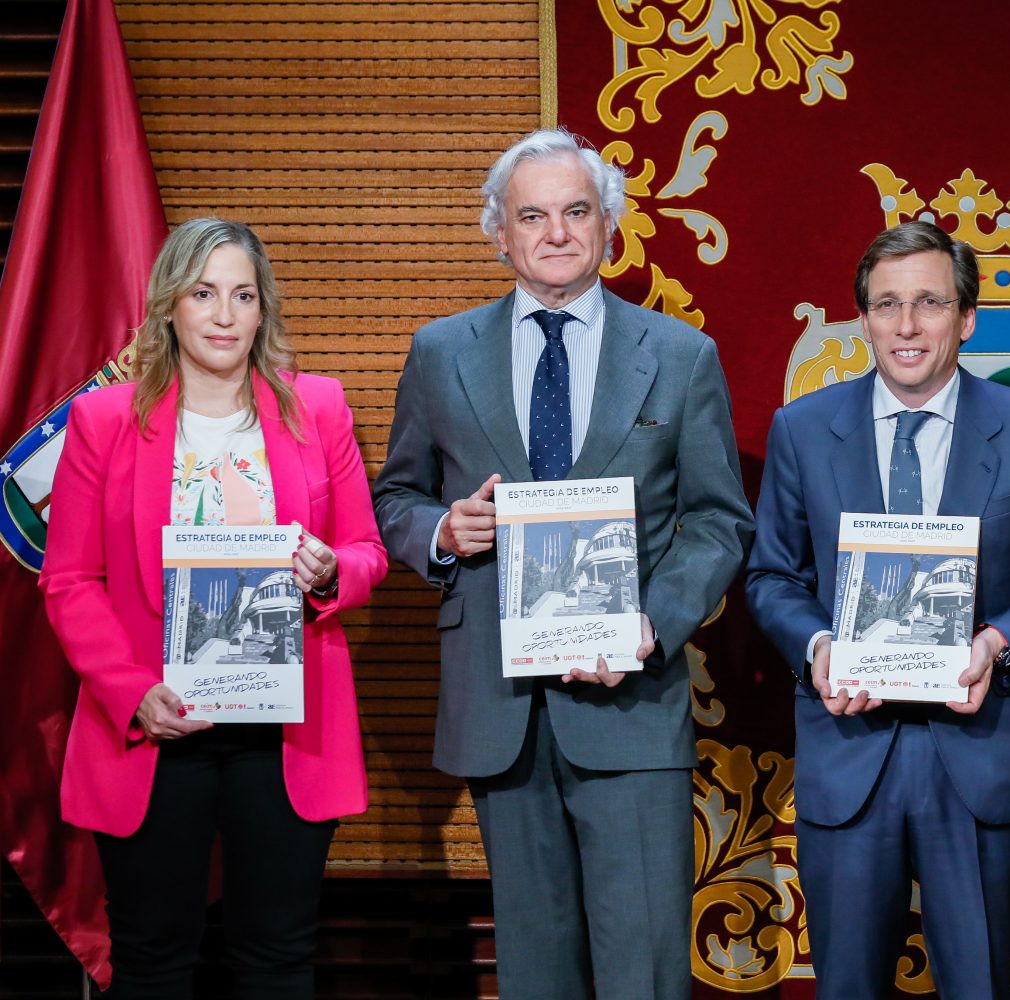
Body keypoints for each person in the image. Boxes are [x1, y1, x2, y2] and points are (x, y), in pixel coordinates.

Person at [371, 127, 753, 1000]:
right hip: (498, 707)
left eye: (576, 212)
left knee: (644, 966)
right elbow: (394, 499)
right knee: (537, 972)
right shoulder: (439, 352)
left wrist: (648, 626)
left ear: (608, 228)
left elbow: (717, 521)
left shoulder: (680, 354)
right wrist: (443, 531)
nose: (555, 232)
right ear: (498, 232)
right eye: (531, 215)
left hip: (631, 696)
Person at [745, 221, 1010, 999]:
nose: (907, 326)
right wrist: (817, 648)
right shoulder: (803, 432)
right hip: (850, 746)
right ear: (864, 319)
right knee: (847, 987)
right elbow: (771, 576)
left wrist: (1000, 641)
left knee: (978, 983)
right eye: (887, 305)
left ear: (966, 318)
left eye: (929, 304)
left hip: (979, 749)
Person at [38, 218, 388, 999]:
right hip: (156, 728)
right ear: (169, 306)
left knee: (279, 959)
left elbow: (366, 549)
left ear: (263, 310)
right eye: (204, 293)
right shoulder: (103, 421)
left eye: (242, 295)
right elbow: (69, 581)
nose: (224, 315)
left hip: (284, 731)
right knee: (154, 963)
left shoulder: (319, 408)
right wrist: (134, 694)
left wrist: (331, 572)